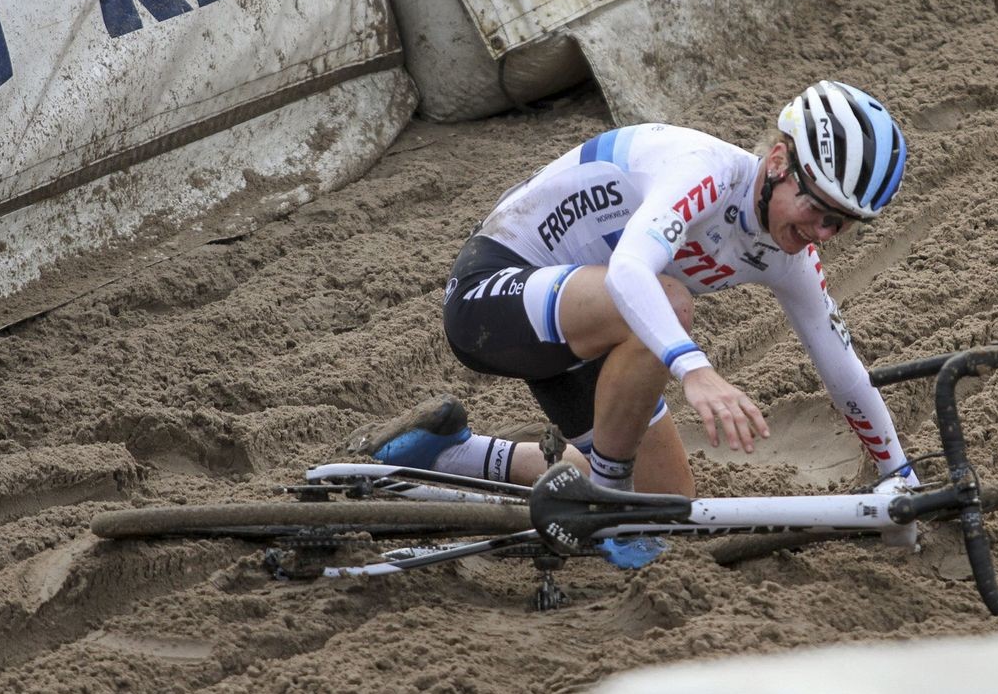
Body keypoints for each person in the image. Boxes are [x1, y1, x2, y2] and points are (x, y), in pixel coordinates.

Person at [346, 80, 917, 567]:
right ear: (777, 163)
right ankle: (606, 499)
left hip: (584, 330)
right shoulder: (705, 171)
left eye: (841, 224)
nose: (821, 232)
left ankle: (448, 452)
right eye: (817, 209)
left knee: (667, 503)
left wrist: (900, 477)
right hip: (493, 297)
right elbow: (628, 271)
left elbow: (843, 370)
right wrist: (694, 369)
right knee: (667, 303)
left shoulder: (788, 254)